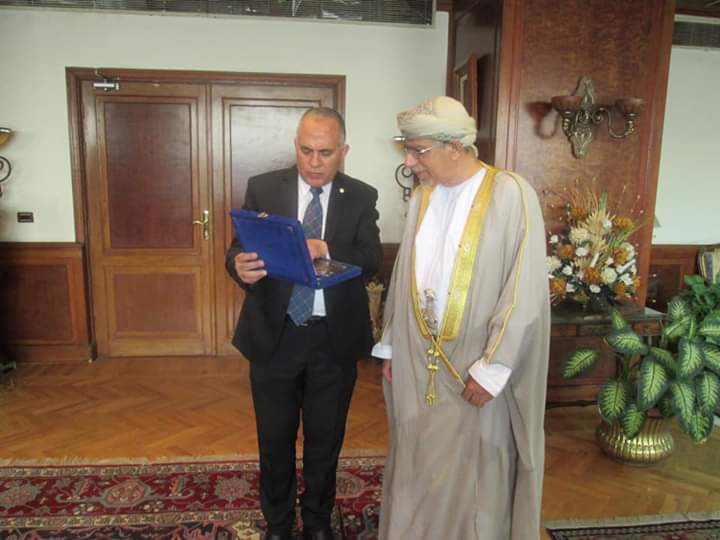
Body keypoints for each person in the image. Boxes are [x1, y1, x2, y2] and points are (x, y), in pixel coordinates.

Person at [373, 96, 550, 540]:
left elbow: (523, 290)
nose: (410, 162)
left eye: (419, 151)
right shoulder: (423, 196)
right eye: (407, 150)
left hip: (476, 362)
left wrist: (493, 368)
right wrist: (392, 344)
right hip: (417, 357)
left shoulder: (510, 194)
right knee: (415, 456)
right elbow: (405, 274)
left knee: (476, 471)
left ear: (455, 146)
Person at [226, 107, 382, 540]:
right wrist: (238, 266)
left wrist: (325, 247)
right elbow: (237, 249)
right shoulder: (263, 187)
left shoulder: (361, 196)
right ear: (295, 146)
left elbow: (371, 258)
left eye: (325, 153)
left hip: (333, 340)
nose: (314, 162)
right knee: (274, 440)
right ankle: (278, 524)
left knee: (324, 442)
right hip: (274, 337)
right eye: (306, 150)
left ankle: (316, 522)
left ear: (344, 151)